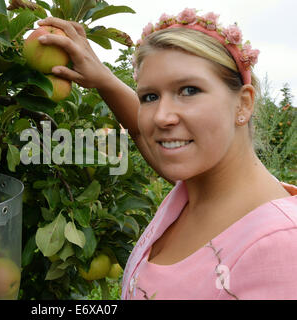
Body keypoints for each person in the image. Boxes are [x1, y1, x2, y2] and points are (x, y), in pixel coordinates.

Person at [36, 8, 297, 300]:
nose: (161, 117)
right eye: (149, 97)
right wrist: (104, 80)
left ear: (244, 104)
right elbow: (141, 132)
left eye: (188, 90)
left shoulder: (280, 246)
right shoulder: (193, 191)